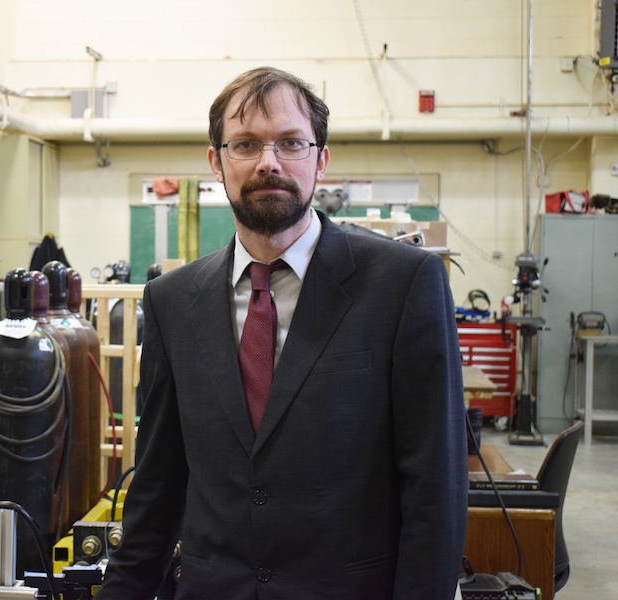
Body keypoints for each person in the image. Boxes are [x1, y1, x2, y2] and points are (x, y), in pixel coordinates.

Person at [96, 67, 467, 599]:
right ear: (216, 163)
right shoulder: (171, 301)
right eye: (245, 143)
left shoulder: (403, 284)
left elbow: (435, 491)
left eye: (290, 142)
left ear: (320, 159)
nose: (269, 161)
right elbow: (156, 488)